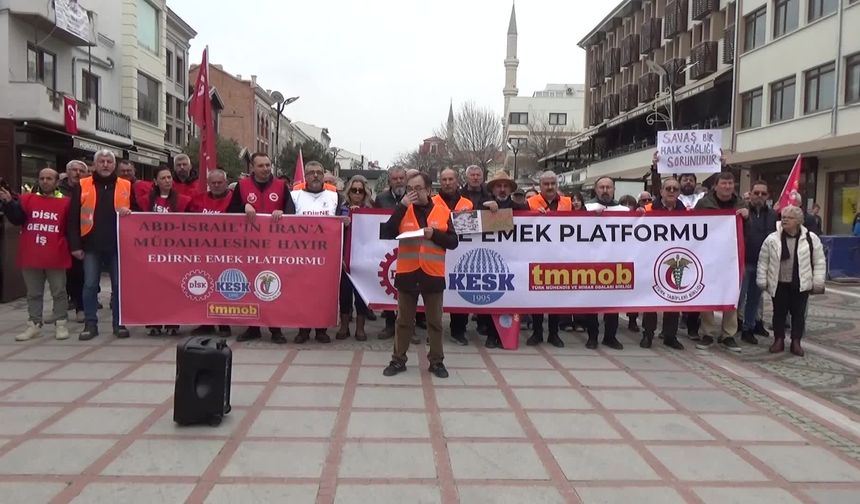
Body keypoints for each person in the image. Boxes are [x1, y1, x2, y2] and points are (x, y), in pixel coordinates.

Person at [381, 171, 458, 378]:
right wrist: (402, 206)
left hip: (432, 274)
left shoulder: (443, 211)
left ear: (429, 190)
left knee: (434, 322)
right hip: (408, 273)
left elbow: (453, 242)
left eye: (418, 189)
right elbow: (387, 232)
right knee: (404, 321)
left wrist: (436, 235)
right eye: (410, 189)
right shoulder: (403, 209)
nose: (413, 193)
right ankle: (398, 360)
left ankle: (436, 362)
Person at [228, 152, 295, 343]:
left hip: (274, 248)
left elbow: (292, 213)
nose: (265, 169)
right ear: (252, 168)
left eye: (268, 165)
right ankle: (253, 327)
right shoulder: (242, 186)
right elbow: (231, 213)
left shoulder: (282, 186)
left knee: (273, 287)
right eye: (261, 166)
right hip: (249, 247)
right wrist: (244, 207)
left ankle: (276, 329)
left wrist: (282, 211)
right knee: (251, 287)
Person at [0, 168, 74, 341]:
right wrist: (9, 203)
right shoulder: (27, 199)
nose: (45, 181)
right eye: (42, 178)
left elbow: (71, 229)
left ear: (57, 182)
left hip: (56, 254)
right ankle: (34, 324)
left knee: (59, 291)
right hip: (31, 253)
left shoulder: (66, 202)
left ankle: (61, 323)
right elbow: (17, 219)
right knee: (33, 293)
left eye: (49, 178)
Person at [68, 149, 135, 340]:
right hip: (90, 245)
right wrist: (75, 246)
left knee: (118, 286)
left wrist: (128, 211)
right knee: (89, 285)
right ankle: (90, 324)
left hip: (118, 246)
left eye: (109, 161)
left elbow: (137, 214)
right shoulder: (82, 185)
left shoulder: (126, 185)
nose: (105, 165)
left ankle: (119, 323)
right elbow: (72, 219)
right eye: (101, 161)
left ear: (114, 165)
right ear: (95, 165)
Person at [757, 205, 825, 356]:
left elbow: (819, 261)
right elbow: (763, 261)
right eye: (783, 217)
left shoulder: (810, 239)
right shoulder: (772, 239)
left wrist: (818, 281)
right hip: (779, 283)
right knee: (779, 313)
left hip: (800, 284)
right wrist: (762, 280)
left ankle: (796, 342)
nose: (785, 220)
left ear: (799, 221)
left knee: (798, 314)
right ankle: (778, 340)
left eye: (790, 217)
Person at [694, 171, 749, 352]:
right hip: (708, 256)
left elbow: (749, 230)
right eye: (723, 183)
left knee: (731, 294)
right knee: (707, 293)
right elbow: (692, 226)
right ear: (716, 186)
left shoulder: (741, 204)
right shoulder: (703, 203)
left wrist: (747, 217)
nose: (727, 187)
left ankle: (728, 334)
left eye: (730, 183)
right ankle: (708, 332)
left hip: (732, 257)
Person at [291, 161, 344, 344]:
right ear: (305, 175)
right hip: (301, 255)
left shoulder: (335, 196)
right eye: (311, 172)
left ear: (323, 175)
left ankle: (321, 329)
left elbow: (340, 222)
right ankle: (303, 330)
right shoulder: (294, 196)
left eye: (319, 172)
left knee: (323, 294)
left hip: (326, 256)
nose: (315, 175)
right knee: (302, 294)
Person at [137, 167, 192, 336]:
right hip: (153, 251)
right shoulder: (145, 201)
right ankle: (153, 323)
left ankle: (172, 323)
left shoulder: (183, 200)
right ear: (156, 181)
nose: (167, 180)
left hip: (175, 251)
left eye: (169, 177)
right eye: (163, 178)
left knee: (172, 287)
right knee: (153, 288)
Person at [481, 170, 528, 348]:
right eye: (498, 186)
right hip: (490, 262)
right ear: (492, 189)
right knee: (491, 297)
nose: (501, 189)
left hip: (513, 261)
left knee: (510, 299)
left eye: (505, 186)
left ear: (510, 190)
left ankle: (507, 334)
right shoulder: (482, 206)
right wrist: (487, 209)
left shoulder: (521, 208)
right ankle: (491, 334)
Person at [640, 178, 686, 350]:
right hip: (652, 259)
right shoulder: (648, 209)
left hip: (675, 258)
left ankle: (670, 336)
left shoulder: (685, 211)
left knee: (674, 299)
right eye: (668, 188)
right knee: (651, 300)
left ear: (679, 192)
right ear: (661, 191)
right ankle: (648, 334)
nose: (671, 191)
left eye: (675, 188)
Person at [526, 171, 571, 348]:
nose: (550, 187)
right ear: (540, 186)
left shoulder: (567, 203)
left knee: (555, 297)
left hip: (560, 256)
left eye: (553, 183)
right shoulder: (529, 203)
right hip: (536, 256)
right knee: (537, 297)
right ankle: (537, 333)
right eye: (546, 184)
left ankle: (554, 333)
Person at [580, 177, 625, 350]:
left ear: (614, 189)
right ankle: (592, 336)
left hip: (616, 263)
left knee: (612, 303)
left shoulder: (624, 210)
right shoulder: (588, 208)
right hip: (593, 262)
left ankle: (610, 336)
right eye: (601, 187)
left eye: (608, 187)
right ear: (596, 190)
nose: (605, 190)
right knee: (593, 302)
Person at [433, 168, 473, 346]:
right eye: (444, 180)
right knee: (433, 295)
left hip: (462, 254)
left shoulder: (468, 203)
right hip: (436, 253)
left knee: (460, 291)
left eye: (451, 179)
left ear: (457, 181)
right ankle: (432, 331)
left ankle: (459, 330)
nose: (447, 183)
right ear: (440, 182)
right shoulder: (431, 202)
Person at [738, 180, 777, 345]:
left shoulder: (774, 215)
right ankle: (731, 329)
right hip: (744, 263)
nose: (759, 196)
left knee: (755, 299)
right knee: (738, 299)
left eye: (763, 193)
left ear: (767, 196)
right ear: (751, 194)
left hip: (762, 264)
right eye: (756, 193)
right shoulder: (743, 213)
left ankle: (749, 328)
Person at [336, 175, 374, 341]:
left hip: (363, 259)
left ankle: (360, 328)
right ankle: (344, 326)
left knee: (361, 295)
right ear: (348, 192)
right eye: (354, 190)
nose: (357, 194)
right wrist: (340, 224)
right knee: (344, 294)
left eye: (360, 191)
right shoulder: (340, 209)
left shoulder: (371, 209)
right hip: (344, 258)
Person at [374, 166, 408, 339]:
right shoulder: (380, 199)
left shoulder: (414, 198)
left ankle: (409, 327)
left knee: (408, 290)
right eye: (395, 179)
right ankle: (389, 325)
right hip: (387, 246)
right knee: (388, 285)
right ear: (390, 181)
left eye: (401, 178)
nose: (399, 181)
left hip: (410, 246)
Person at [59, 160, 86, 322]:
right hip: (59, 237)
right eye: (74, 170)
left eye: (80, 170)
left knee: (80, 274)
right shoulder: (58, 189)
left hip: (80, 237)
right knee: (62, 277)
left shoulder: (87, 189)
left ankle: (80, 307)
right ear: (67, 172)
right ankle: (62, 308)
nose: (77, 173)